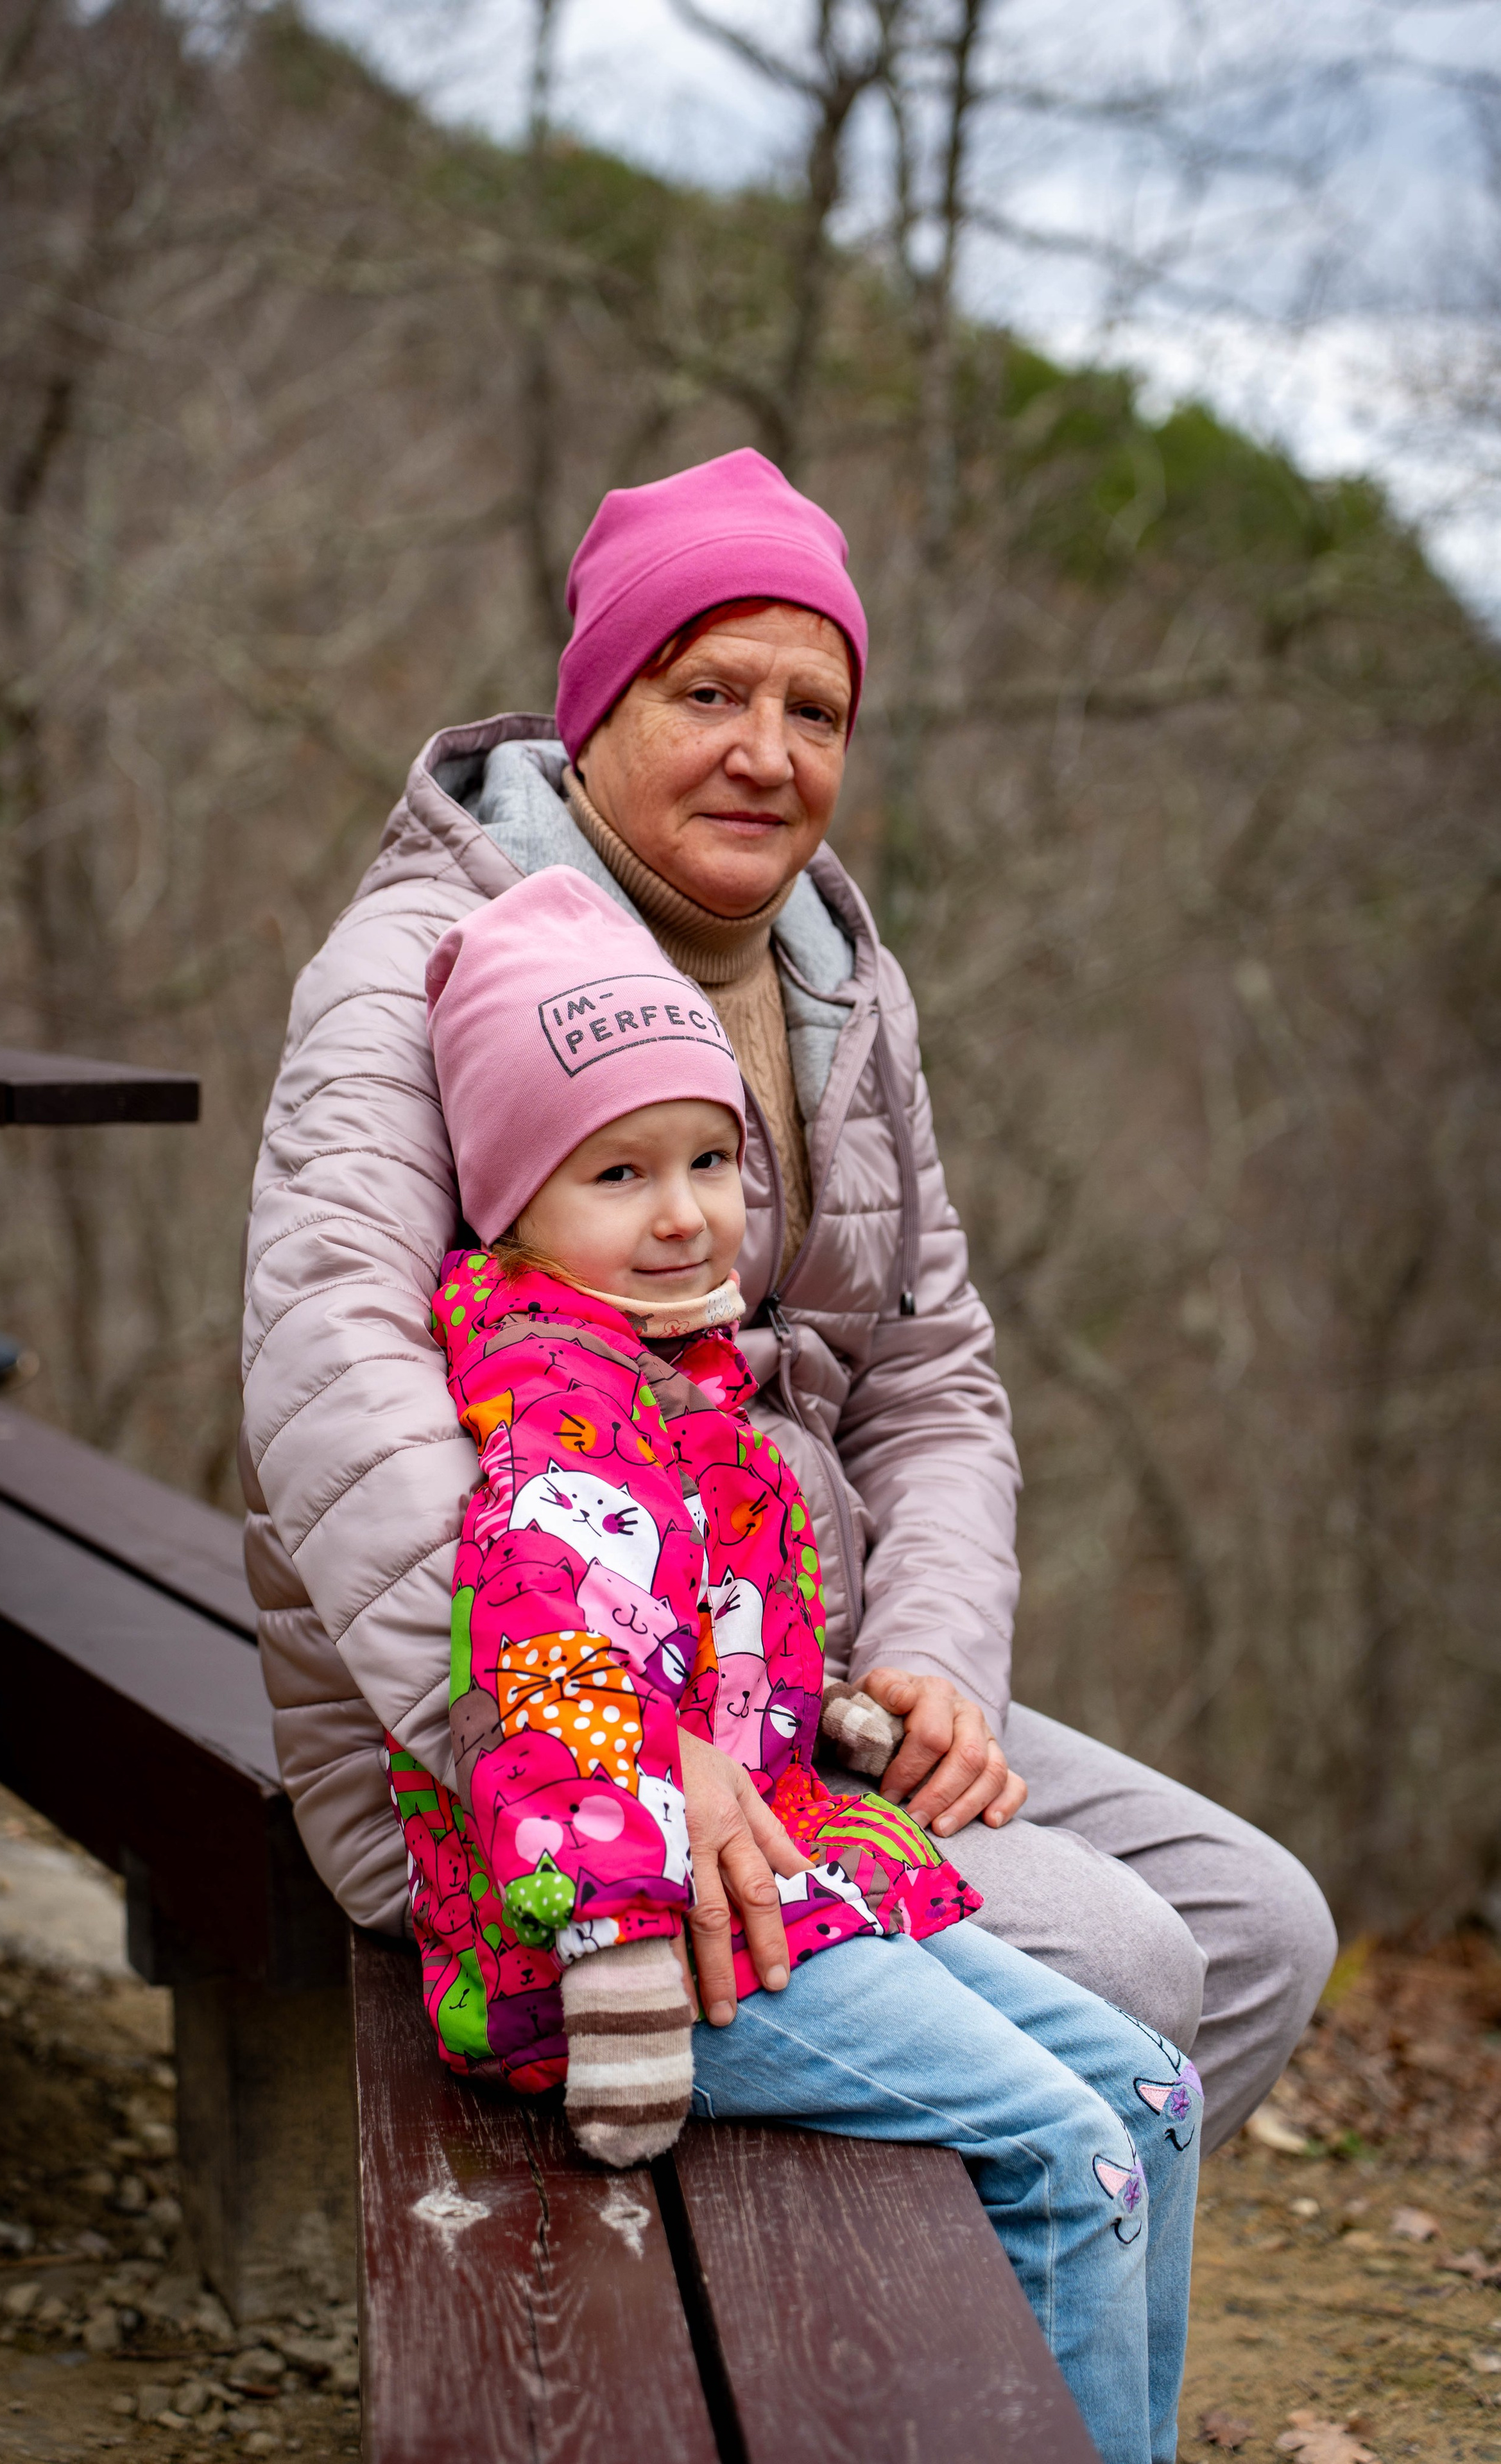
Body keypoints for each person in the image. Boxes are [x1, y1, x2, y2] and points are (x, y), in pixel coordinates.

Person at [240, 445, 1335, 2171]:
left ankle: (1022, 2312)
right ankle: (930, 2318)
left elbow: (932, 1379)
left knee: (1261, 1928)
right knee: (1126, 1966)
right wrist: (611, 1752)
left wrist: (933, 1662)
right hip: (506, 1752)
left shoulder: (838, 981)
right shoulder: (423, 961)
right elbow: (332, 1376)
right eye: (709, 693)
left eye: (813, 711)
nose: (767, 751)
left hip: (793, 1675)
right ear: (595, 710)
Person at [402, 862, 1201, 2464]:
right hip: (620, 1947)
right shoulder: (559, 1428)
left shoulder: (678, 1387)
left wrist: (819, 1708)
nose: (683, 1212)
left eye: (708, 1159)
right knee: (1074, 2152)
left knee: (1150, 2099)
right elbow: (558, 1693)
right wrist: (619, 1968)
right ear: (512, 1201)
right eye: (616, 1173)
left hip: (773, 1869)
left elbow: (698, 1642)